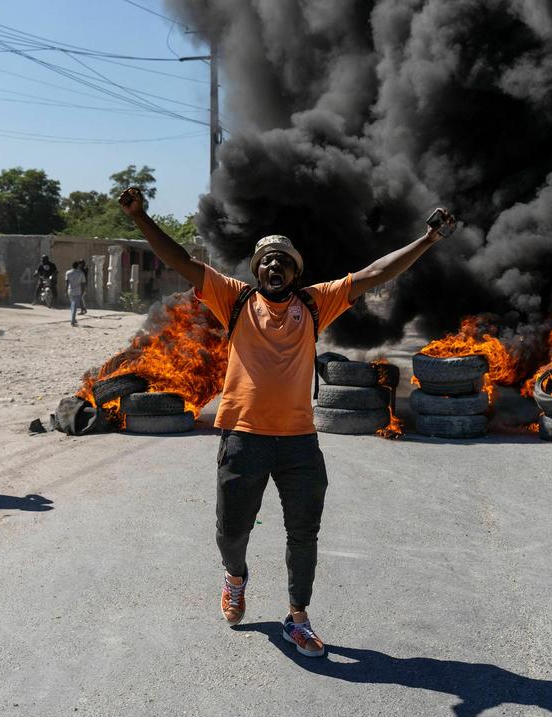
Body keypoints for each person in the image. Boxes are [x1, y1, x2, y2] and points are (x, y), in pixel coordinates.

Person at [118, 186, 455, 657]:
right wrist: (140, 217)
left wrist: (427, 240)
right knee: (231, 531)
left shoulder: (316, 303)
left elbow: (377, 273)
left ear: (296, 272)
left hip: (299, 441)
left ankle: (297, 617)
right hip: (243, 438)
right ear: (257, 272)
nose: (274, 267)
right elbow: (180, 261)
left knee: (304, 533)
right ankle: (235, 577)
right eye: (266, 262)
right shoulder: (233, 300)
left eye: (283, 262)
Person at [65, 262, 87, 326]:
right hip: (77, 292)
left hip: (70, 291)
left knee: (72, 305)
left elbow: (67, 283)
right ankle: (72, 320)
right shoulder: (81, 273)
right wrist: (82, 292)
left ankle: (73, 319)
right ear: (78, 266)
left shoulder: (68, 273)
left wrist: (65, 291)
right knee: (74, 306)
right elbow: (83, 284)